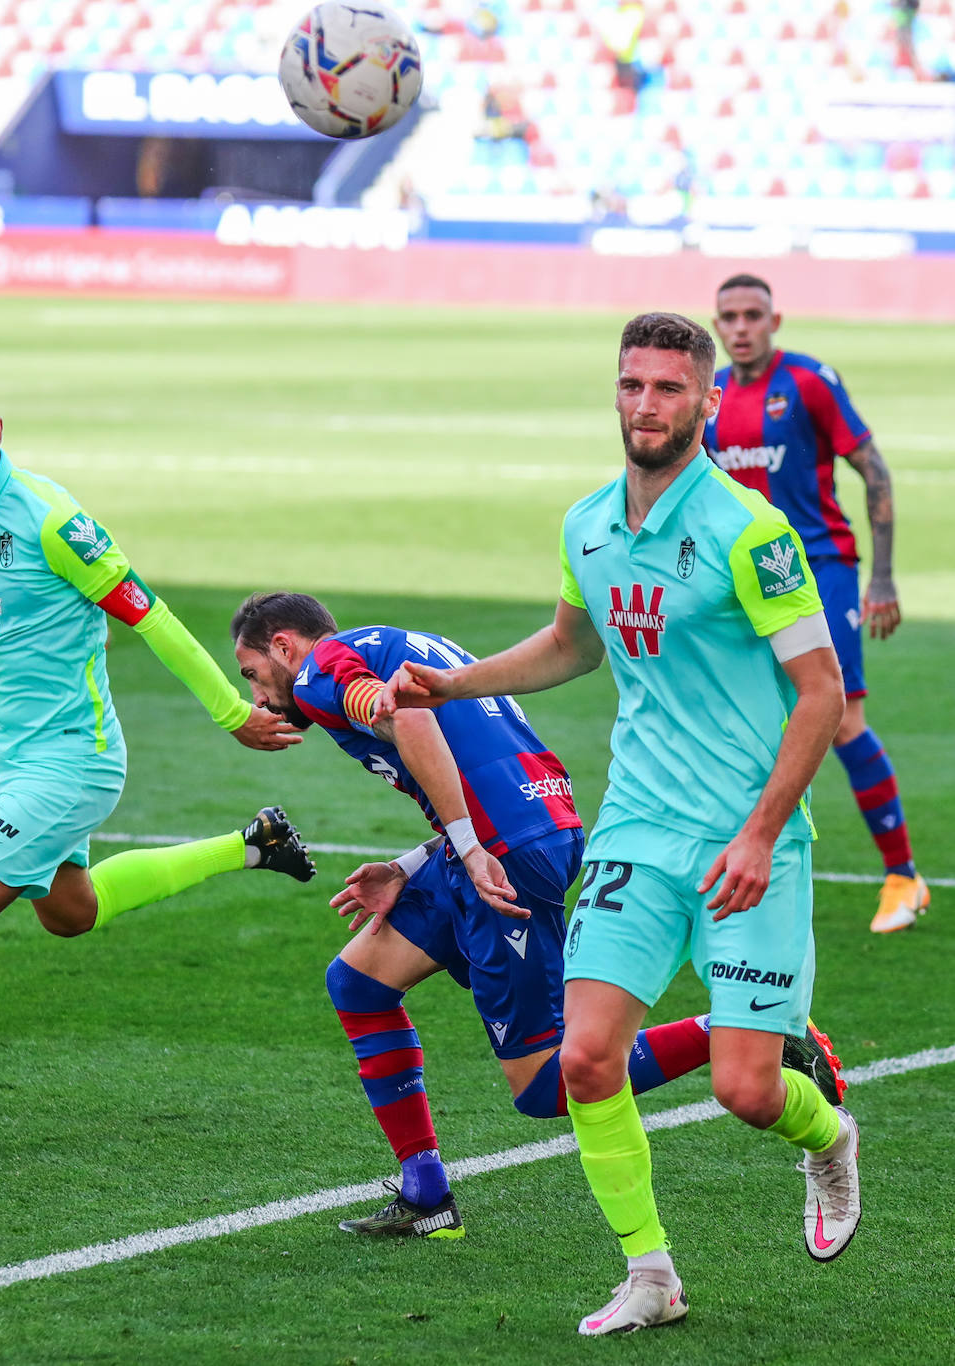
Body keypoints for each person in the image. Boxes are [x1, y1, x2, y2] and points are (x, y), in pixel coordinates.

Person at [380, 313, 860, 1333]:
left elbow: (817, 693)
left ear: (704, 402)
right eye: (631, 385)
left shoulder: (749, 532)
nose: (646, 404)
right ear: (615, 393)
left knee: (744, 1087)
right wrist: (447, 686)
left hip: (745, 841)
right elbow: (570, 643)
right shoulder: (587, 523)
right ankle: (649, 1275)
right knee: (584, 1060)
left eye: (667, 389)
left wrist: (762, 831)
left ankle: (826, 1140)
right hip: (636, 831)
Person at [0, 366, 312, 1156]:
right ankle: (254, 844)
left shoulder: (50, 519)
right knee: (70, 913)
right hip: (21, 765)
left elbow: (152, 614)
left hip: (78, 760)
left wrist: (233, 713)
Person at [231, 590, 846, 1241]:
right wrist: (412, 867)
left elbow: (408, 717)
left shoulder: (322, 671)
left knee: (547, 1084)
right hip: (531, 824)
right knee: (358, 983)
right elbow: (486, 761)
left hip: (498, 854)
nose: (260, 694)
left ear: (283, 646)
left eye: (251, 673)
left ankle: (753, 1029)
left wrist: (468, 849)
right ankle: (426, 1194)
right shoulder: (398, 642)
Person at [706, 273, 927, 933]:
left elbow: (874, 469)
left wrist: (881, 578)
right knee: (740, 721)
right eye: (729, 317)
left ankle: (903, 876)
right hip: (747, 578)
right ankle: (739, 862)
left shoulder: (807, 382)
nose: (741, 327)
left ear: (775, 320)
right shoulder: (711, 396)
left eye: (753, 315)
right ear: (717, 326)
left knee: (840, 717)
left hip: (821, 567)